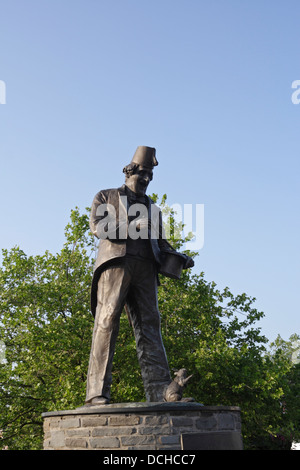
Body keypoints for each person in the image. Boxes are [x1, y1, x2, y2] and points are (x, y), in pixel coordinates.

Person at [85, 146, 194, 405]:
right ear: (129, 171)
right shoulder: (106, 196)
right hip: (116, 265)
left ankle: (161, 391)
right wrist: (131, 226)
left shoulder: (152, 208)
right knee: (107, 321)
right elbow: (98, 227)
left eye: (150, 176)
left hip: (146, 267)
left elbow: (162, 243)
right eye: (142, 173)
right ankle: (96, 393)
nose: (146, 179)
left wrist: (178, 257)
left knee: (150, 325)